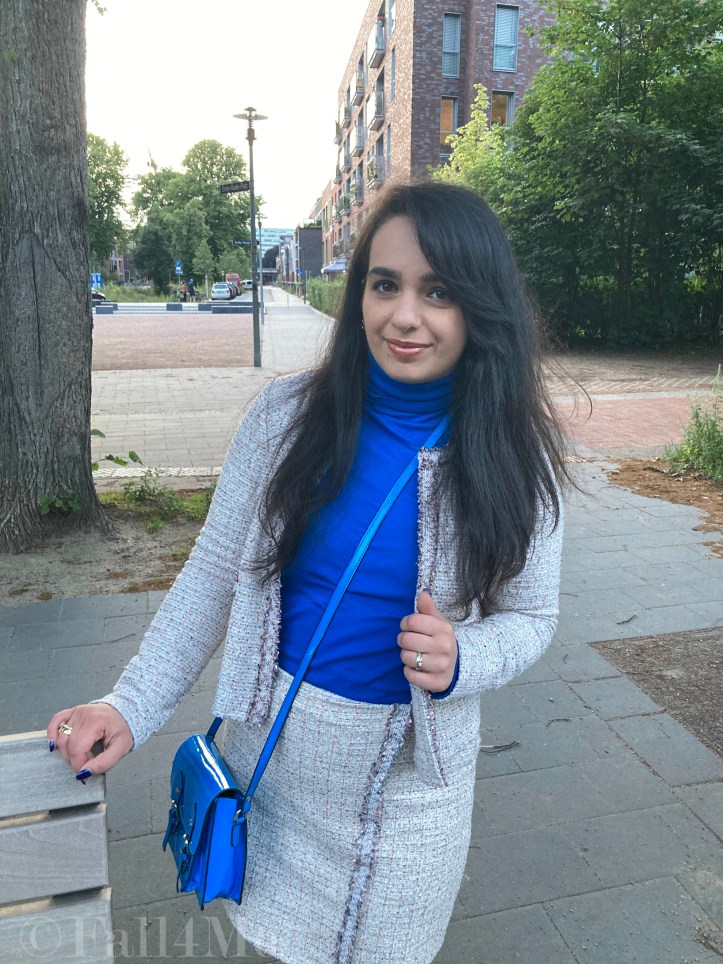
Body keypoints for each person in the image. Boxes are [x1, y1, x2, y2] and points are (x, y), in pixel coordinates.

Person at [48, 181, 568, 964]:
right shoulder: (285, 419)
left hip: (411, 798)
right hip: (276, 768)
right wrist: (127, 706)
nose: (403, 316)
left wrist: (465, 658)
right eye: (384, 284)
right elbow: (212, 575)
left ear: (480, 307)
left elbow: (532, 618)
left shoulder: (516, 459)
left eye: (438, 292)